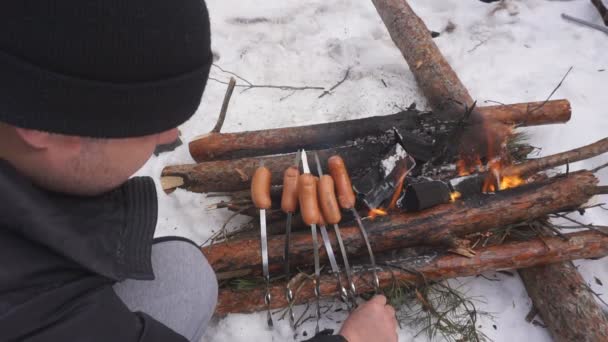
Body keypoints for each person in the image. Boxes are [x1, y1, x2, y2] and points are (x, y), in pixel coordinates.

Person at [0, 1, 398, 341]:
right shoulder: (33, 310)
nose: (170, 134)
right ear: (45, 128)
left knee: (180, 276)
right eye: (148, 123)